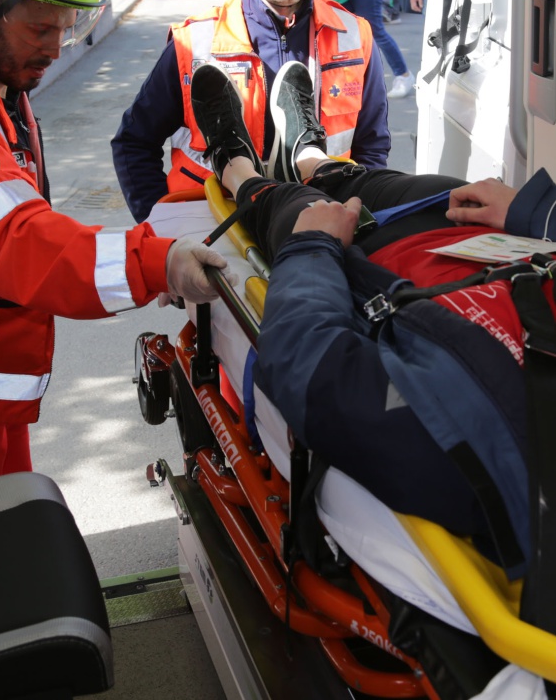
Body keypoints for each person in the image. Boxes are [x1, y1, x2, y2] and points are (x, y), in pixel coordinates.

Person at [188, 58, 556, 562]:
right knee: (377, 181)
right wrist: (535, 212)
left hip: (386, 271)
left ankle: (238, 168)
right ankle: (311, 156)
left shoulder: (487, 445)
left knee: (293, 208)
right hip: (491, 242)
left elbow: (310, 365)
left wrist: (314, 247)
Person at [0, 0, 233, 476]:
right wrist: (158, 261)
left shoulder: (8, 90)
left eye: (69, 26)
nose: (55, 48)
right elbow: (21, 239)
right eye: (39, 27)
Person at [111, 0, 391, 223]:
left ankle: (303, 160)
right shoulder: (195, 42)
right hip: (214, 231)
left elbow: (372, 147)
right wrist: (162, 227)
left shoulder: (355, 36)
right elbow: (134, 142)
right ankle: (239, 168)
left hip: (320, 223)